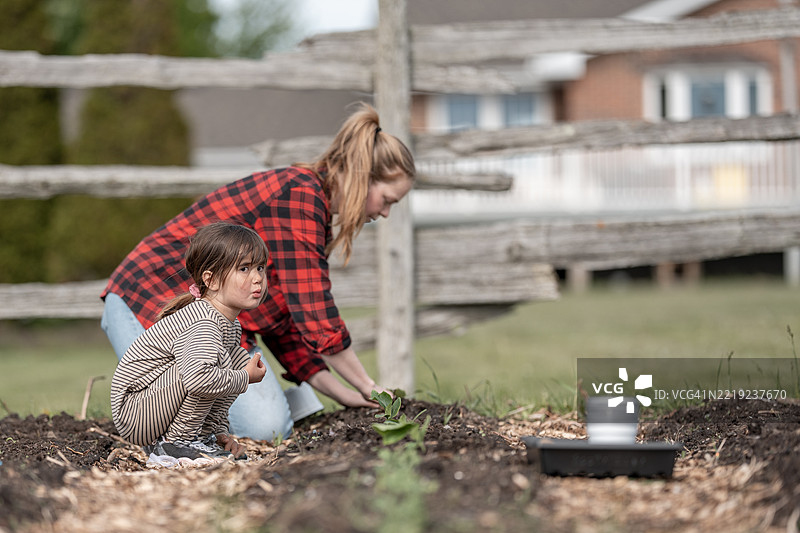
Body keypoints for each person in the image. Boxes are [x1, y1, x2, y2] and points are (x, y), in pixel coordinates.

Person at [101, 102, 416, 441]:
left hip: (218, 325)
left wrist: (343, 395)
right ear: (362, 176)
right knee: (251, 426)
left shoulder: (311, 209)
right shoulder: (299, 197)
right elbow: (317, 317)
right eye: (387, 200)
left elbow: (285, 324)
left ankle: (261, 408)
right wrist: (369, 387)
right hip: (152, 297)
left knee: (267, 428)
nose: (385, 213)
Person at [110, 222, 269, 459]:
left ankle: (203, 437)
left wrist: (219, 432)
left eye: (260, 267)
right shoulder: (204, 323)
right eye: (244, 269)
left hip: (157, 402)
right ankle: (177, 443)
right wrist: (245, 377)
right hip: (135, 411)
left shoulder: (229, 324)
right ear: (211, 280)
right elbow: (197, 380)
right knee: (211, 368)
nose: (257, 278)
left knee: (235, 358)